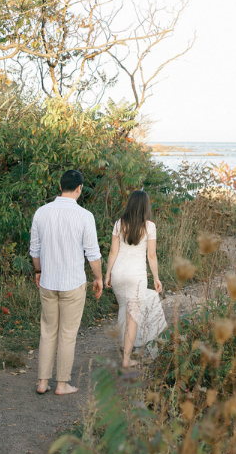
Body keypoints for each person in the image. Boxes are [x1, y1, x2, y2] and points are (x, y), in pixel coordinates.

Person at [29, 169, 103, 396]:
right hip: (73, 283)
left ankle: (43, 382)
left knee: (48, 331)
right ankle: (62, 384)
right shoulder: (84, 216)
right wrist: (99, 277)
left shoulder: (41, 213)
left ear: (61, 187)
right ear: (80, 188)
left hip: (48, 281)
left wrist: (38, 271)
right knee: (67, 334)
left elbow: (35, 249)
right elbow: (92, 254)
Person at [105, 189, 166, 368]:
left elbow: (113, 251)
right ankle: (125, 359)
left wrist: (108, 274)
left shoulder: (119, 224)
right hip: (136, 275)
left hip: (118, 274)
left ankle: (125, 347)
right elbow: (152, 256)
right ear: (145, 206)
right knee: (132, 315)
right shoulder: (149, 226)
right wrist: (156, 277)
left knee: (124, 309)